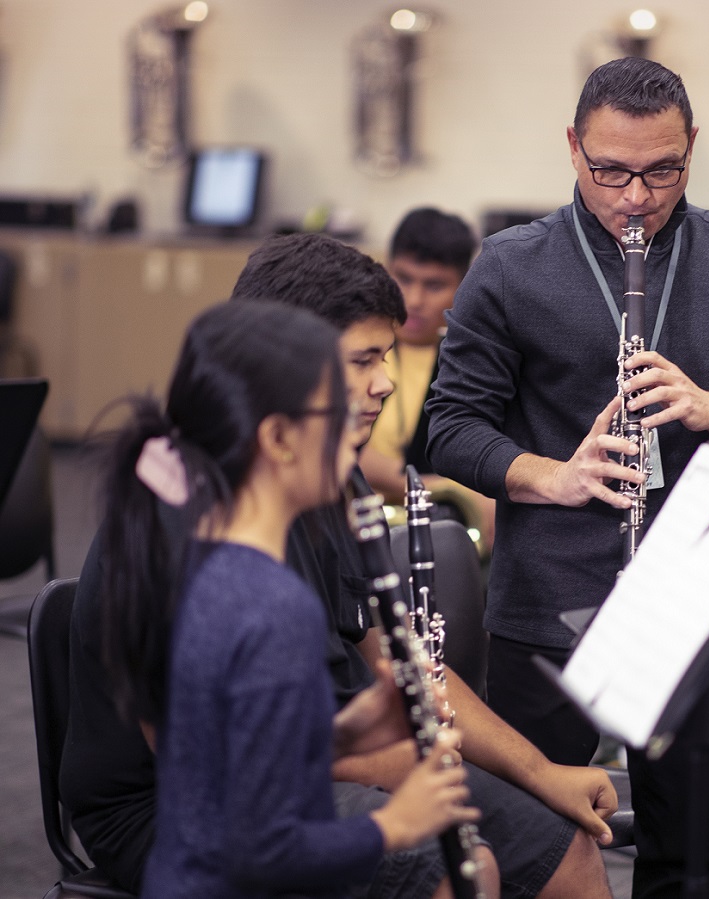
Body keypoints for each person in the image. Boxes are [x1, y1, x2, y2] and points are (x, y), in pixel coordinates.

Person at [63, 233, 616, 899]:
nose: (385, 382)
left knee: (565, 852)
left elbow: (395, 658)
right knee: (456, 869)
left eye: (386, 355)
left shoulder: (326, 469)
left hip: (310, 750)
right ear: (282, 372)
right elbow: (216, 770)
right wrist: (394, 781)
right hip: (186, 809)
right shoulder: (206, 550)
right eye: (361, 361)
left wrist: (535, 771)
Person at [425, 57, 709, 897]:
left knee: (692, 852)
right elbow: (449, 426)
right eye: (610, 170)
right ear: (573, 148)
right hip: (550, 594)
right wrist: (553, 477)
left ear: (692, 148)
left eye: (662, 170)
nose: (636, 197)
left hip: (697, 589)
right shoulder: (509, 263)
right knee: (539, 842)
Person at [96, 300, 476, 896]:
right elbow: (260, 850)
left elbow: (226, 764)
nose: (354, 425)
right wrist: (394, 825)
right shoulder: (274, 606)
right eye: (333, 409)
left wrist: (346, 732)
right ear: (278, 438)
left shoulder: (203, 566)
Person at [360, 208, 496, 549]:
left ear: (463, 284)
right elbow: (335, 448)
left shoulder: (474, 359)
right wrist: (436, 487)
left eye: (434, 285)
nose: (414, 300)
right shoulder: (353, 343)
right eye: (404, 279)